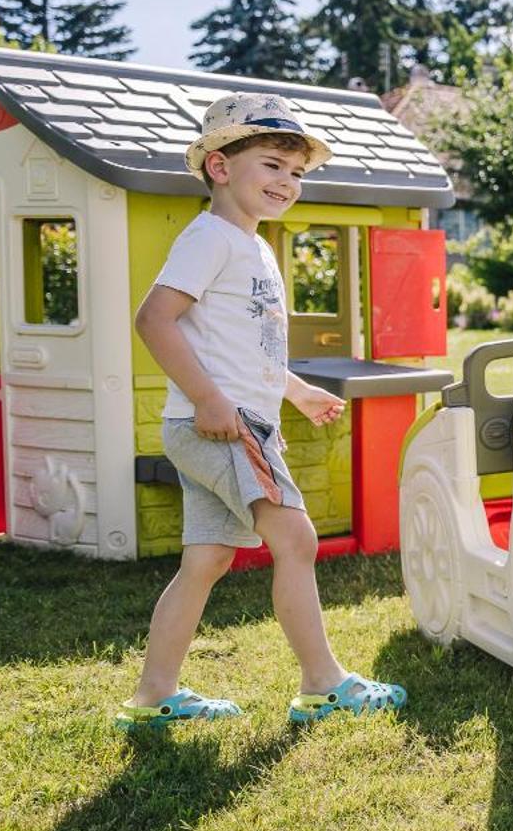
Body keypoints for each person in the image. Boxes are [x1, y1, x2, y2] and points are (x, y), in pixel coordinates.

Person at [114, 93, 407, 730]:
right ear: (220, 167)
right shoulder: (211, 239)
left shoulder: (253, 247)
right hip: (223, 424)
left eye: (296, 173)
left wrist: (295, 391)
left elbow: (247, 348)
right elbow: (154, 320)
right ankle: (323, 685)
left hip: (220, 422)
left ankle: (154, 695)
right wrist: (212, 400)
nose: (287, 182)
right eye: (272, 165)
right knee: (297, 539)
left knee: (207, 561)